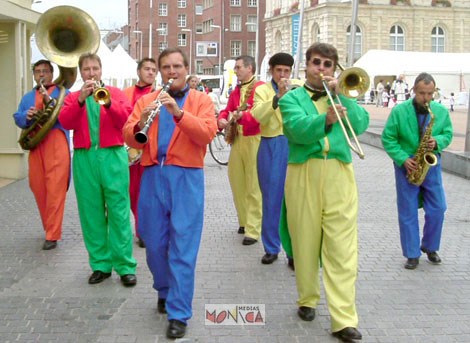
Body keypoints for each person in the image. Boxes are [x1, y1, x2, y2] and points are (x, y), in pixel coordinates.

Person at [123, 47, 217, 339]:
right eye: (166, 67)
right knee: (153, 243)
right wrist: (141, 122)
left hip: (186, 176)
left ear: (186, 69)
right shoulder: (147, 100)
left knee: (183, 247)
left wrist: (178, 113)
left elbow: (206, 132)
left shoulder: (201, 100)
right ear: (160, 71)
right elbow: (129, 134)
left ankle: (179, 312)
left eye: (177, 66)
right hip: (152, 175)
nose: (172, 72)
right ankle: (164, 288)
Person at [278, 42, 369, 342]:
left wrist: (344, 98)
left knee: (342, 248)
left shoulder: (341, 96)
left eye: (328, 64)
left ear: (334, 69)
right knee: (304, 241)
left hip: (339, 172)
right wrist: (325, 120)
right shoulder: (292, 98)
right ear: (306, 65)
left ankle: (344, 318)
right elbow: (296, 130)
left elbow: (360, 125)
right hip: (304, 171)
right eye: (316, 62)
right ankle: (307, 298)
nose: (321, 68)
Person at [59, 53, 137, 287]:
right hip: (84, 157)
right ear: (81, 73)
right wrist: (81, 100)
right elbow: (66, 122)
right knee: (91, 214)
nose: (91, 73)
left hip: (112, 155)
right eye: (86, 69)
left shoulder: (116, 93)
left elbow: (125, 119)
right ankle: (101, 265)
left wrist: (108, 102)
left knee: (119, 211)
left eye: (94, 68)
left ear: (101, 70)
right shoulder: (73, 97)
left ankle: (125, 266)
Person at [381, 72, 453, 270]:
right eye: (422, 93)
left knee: (439, 208)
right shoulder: (399, 111)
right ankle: (412, 254)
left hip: (431, 165)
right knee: (407, 210)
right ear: (414, 91)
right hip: (408, 166)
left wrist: (437, 141)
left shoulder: (439, 111)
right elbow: (388, 138)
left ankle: (430, 246)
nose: (426, 98)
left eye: (430, 94)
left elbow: (448, 133)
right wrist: (403, 158)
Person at [13, 59, 71, 251]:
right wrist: (26, 117)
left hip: (56, 141)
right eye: (38, 72)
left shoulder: (63, 93)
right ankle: (49, 227)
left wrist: (51, 103)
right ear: (34, 75)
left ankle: (52, 234)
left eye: (45, 71)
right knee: (38, 187)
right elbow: (18, 117)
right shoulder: (28, 97)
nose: (41, 74)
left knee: (55, 188)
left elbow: (69, 116)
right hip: (36, 144)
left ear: (52, 73)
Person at [252, 52, 301, 266]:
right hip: (270, 143)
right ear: (271, 70)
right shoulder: (262, 90)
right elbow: (258, 116)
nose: (282, 75)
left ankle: (293, 251)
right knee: (271, 199)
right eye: (278, 70)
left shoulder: (298, 86)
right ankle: (271, 247)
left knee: (294, 201)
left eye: (286, 71)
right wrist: (276, 98)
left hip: (292, 144)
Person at [218, 55, 264, 245]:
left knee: (254, 185)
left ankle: (253, 229)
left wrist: (241, 116)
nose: (235, 71)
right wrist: (220, 119)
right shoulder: (236, 90)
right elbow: (226, 109)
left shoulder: (260, 88)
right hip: (238, 139)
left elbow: (259, 114)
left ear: (249, 68)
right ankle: (244, 221)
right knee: (237, 181)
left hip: (254, 138)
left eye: (238, 67)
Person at [123, 57, 158, 248]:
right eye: (147, 69)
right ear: (138, 71)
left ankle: (145, 231)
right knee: (133, 193)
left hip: (151, 151)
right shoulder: (127, 93)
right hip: (130, 152)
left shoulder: (160, 94)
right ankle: (141, 230)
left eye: (154, 70)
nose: (151, 72)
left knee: (149, 194)